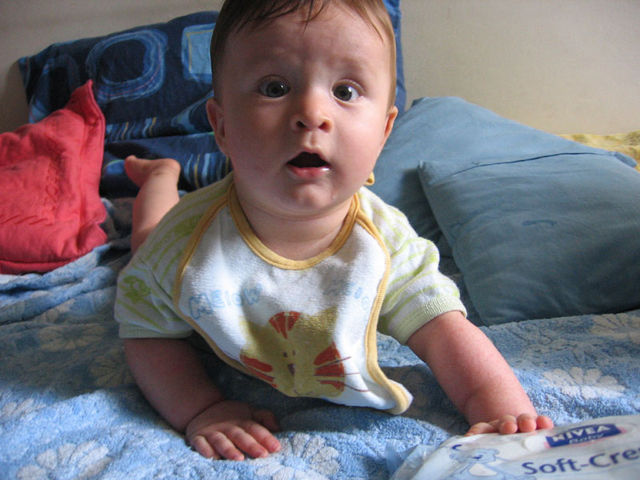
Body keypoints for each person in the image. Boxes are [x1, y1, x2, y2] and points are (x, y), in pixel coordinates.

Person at [114, 0, 553, 462]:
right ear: (221, 127)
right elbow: (146, 331)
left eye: (345, 91)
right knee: (147, 234)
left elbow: (443, 329)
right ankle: (162, 176)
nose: (312, 113)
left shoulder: (384, 244)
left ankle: (165, 173)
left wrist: (501, 412)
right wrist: (202, 409)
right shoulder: (182, 247)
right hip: (181, 232)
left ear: (384, 133)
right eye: (275, 87)